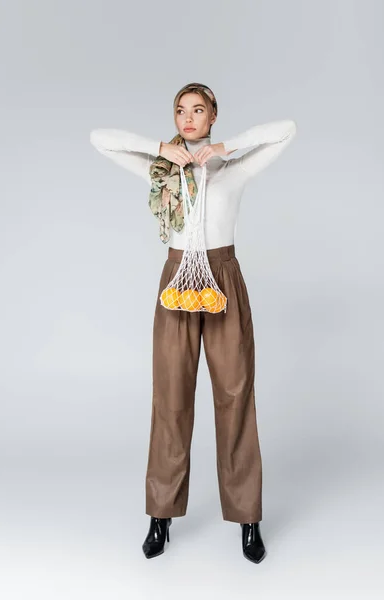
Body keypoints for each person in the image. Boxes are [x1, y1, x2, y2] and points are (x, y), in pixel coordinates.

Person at [90, 82, 297, 563]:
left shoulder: (232, 170)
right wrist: (162, 149)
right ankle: (159, 517)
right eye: (180, 110)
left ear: (213, 116)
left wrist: (225, 148)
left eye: (198, 110)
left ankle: (249, 519)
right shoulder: (161, 171)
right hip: (176, 282)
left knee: (235, 395)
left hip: (221, 278)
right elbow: (100, 138)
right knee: (171, 398)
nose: (188, 118)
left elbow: (286, 131)